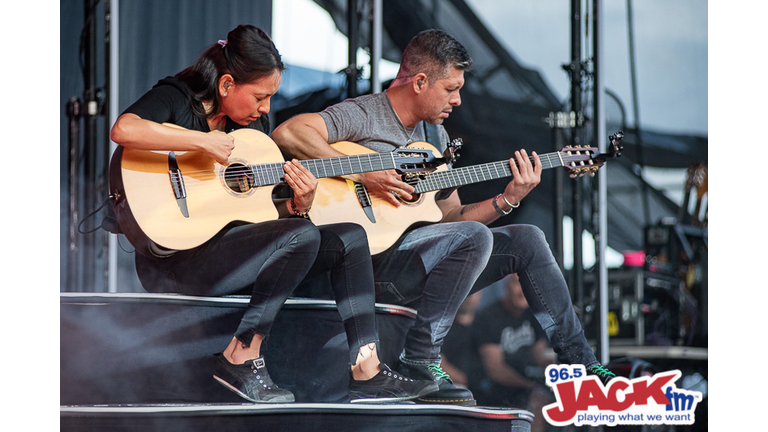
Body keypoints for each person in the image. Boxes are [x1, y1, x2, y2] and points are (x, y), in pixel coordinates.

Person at [271, 28, 615, 406]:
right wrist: (363, 172)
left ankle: (581, 363)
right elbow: (290, 133)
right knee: (475, 237)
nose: (458, 99)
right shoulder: (366, 113)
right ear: (420, 82)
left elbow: (450, 217)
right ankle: (421, 357)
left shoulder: (434, 134)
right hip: (368, 266)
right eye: (451, 88)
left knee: (528, 237)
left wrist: (507, 198)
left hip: (417, 261)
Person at [109, 24, 436, 404]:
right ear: (227, 84)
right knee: (303, 236)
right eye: (260, 97)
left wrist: (300, 205)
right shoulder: (178, 98)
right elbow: (124, 128)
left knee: (347, 235)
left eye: (270, 98)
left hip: (227, 253)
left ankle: (367, 370)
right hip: (171, 261)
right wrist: (201, 141)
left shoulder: (254, 132)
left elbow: (263, 214)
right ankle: (241, 355)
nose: (266, 109)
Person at [473, 274, 554, 432]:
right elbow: (495, 370)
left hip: (529, 384)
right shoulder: (489, 317)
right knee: (537, 401)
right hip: (497, 390)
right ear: (506, 286)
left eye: (527, 286)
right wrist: (530, 386)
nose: (523, 291)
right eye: (518, 284)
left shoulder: (534, 315)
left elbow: (540, 356)